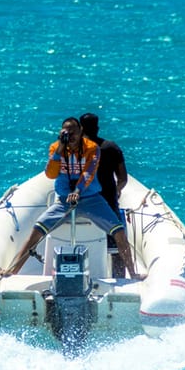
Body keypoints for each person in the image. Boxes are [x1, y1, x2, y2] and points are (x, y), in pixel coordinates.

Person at [0, 117, 145, 280]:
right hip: (64, 201)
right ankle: (13, 270)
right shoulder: (56, 148)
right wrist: (60, 149)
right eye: (67, 133)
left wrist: (78, 190)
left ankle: (133, 273)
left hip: (90, 198)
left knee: (118, 231)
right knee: (37, 230)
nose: (71, 136)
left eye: (74, 132)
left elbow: (88, 173)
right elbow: (51, 173)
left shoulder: (92, 148)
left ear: (81, 131)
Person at [80, 112, 128, 277]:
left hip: (81, 202)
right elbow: (122, 178)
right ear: (98, 127)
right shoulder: (111, 147)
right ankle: (119, 276)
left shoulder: (75, 148)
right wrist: (117, 191)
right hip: (107, 201)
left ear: (80, 129)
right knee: (117, 239)